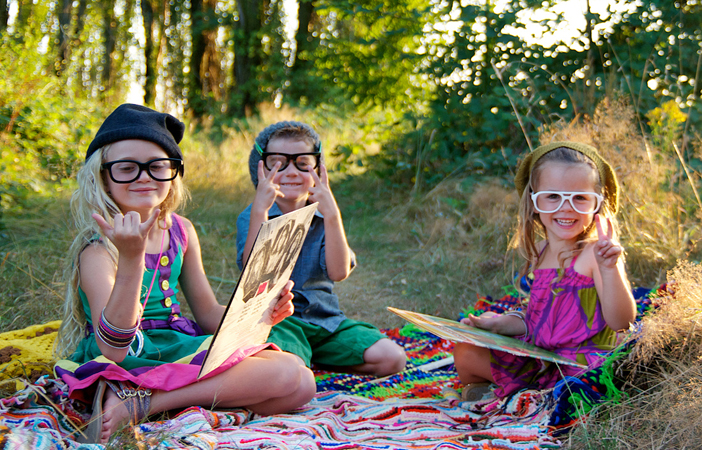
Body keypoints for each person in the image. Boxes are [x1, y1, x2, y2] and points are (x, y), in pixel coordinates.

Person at [53, 104, 316, 444]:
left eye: (158, 167)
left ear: (173, 173)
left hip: (176, 343)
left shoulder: (180, 230)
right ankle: (139, 401)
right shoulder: (98, 248)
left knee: (302, 383)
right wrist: (132, 259)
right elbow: (114, 348)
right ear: (102, 175)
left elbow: (207, 314)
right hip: (130, 358)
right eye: (127, 168)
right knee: (282, 374)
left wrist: (261, 313)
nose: (144, 176)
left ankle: (150, 404)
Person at [453, 141, 636, 401]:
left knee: (573, 391)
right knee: (466, 349)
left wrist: (610, 269)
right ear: (534, 201)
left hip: (581, 369)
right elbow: (538, 318)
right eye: (552, 196)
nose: (566, 208)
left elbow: (622, 322)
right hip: (543, 359)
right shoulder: (539, 251)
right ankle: (485, 390)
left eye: (580, 198)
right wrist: (494, 325)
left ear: (596, 203)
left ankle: (518, 395)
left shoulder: (596, 255)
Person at [236, 121, 406, 377]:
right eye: (279, 163)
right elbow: (255, 276)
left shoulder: (325, 215)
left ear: (317, 167)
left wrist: (332, 215)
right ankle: (300, 360)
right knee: (287, 372)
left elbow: (338, 272)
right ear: (261, 168)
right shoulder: (253, 216)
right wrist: (261, 210)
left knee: (392, 358)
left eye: (302, 163)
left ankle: (315, 358)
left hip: (326, 323)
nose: (291, 172)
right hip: (279, 324)